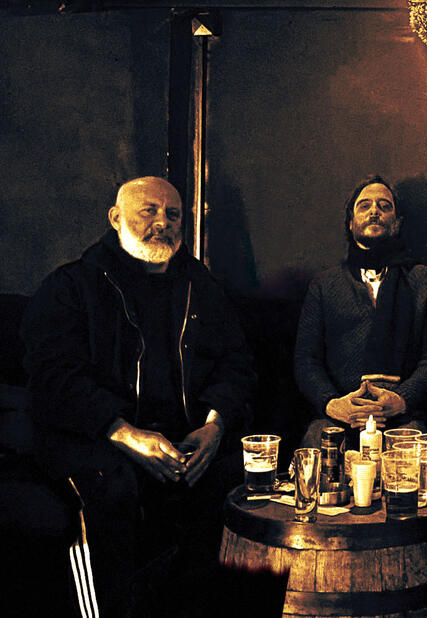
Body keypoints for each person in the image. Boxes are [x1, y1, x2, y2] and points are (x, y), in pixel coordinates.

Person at [21, 176, 256, 618]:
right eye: (149, 210)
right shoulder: (72, 286)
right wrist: (124, 433)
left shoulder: (199, 284)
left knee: (240, 485)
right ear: (116, 218)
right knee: (112, 490)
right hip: (98, 439)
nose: (162, 223)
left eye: (173, 214)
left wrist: (215, 424)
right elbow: (55, 379)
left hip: (183, 440)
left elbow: (236, 363)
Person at [294, 176, 427, 446]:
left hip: (403, 418)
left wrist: (402, 399)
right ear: (351, 223)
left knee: (413, 460)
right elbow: (306, 360)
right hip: (337, 416)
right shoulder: (324, 285)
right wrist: (333, 403)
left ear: (397, 223)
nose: (374, 211)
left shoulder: (424, 280)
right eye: (365, 206)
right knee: (316, 453)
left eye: (384, 206)